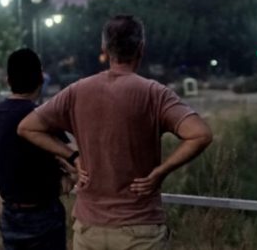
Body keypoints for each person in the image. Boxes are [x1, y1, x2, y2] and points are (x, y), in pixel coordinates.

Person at [18, 14, 213, 250]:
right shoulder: (154, 93)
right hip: (139, 230)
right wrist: (161, 172)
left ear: (105, 49)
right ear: (141, 48)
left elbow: (27, 127)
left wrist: (73, 156)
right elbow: (200, 134)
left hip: (88, 230)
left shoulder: (77, 91)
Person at [0, 48, 72, 250]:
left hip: (10, 214)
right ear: (41, 79)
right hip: (43, 215)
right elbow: (70, 156)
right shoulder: (40, 116)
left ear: (8, 80)